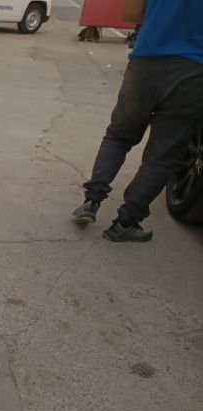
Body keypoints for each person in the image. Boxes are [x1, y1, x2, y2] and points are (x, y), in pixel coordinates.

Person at [72, 0, 203, 242]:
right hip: (192, 72)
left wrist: (163, 20)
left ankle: (91, 201)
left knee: (118, 136)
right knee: (161, 156)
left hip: (145, 62)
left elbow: (130, 12)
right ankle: (125, 223)